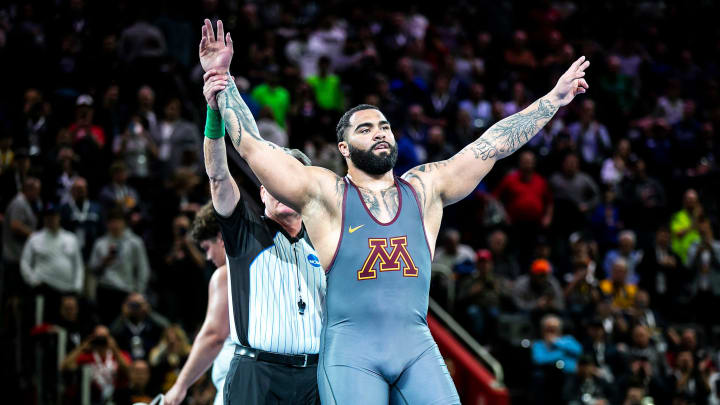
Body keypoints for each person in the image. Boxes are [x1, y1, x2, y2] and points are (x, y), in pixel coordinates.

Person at [200, 18, 589, 404]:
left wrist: (551, 101)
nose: (380, 132)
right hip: (350, 355)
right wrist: (224, 80)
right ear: (344, 149)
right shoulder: (326, 195)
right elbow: (252, 146)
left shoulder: (426, 189)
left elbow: (492, 145)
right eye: (365, 129)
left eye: (384, 126)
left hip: (415, 348)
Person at [201, 22, 328, 403]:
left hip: (314, 378)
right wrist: (215, 114)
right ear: (263, 190)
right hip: (256, 375)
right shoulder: (245, 230)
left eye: (292, 179)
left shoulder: (327, 239)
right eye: (276, 179)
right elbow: (219, 175)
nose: (283, 188)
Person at [164, 202, 233, 405]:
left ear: (221, 238)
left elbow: (213, 336)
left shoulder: (226, 275)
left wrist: (180, 386)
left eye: (206, 247)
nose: (208, 256)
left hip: (241, 386)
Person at [20, 202, 84, 323]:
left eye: (54, 216)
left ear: (59, 217)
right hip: (44, 289)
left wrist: (77, 286)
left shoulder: (70, 238)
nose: (51, 219)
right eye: (48, 216)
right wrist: (33, 280)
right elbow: (24, 262)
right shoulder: (35, 238)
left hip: (67, 291)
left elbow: (78, 265)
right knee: (42, 323)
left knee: (64, 325)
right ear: (44, 218)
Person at [89, 209, 151, 324]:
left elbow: (143, 269)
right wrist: (105, 261)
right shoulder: (100, 243)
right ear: (107, 224)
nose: (115, 225)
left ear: (124, 223)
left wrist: (138, 292)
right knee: (106, 324)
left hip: (127, 292)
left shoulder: (135, 242)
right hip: (105, 290)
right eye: (112, 222)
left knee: (124, 327)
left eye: (118, 221)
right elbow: (93, 270)